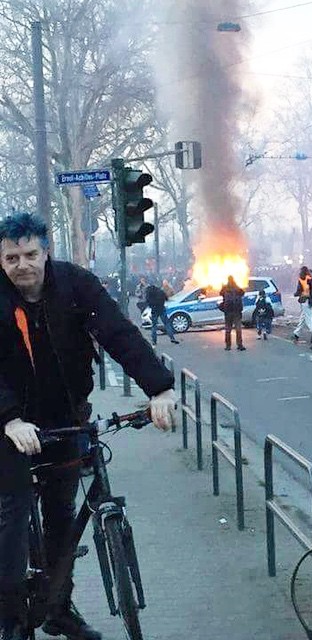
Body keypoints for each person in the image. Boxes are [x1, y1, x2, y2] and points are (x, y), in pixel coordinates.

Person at [0, 213, 177, 640]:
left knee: (62, 515)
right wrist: (9, 418)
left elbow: (118, 333)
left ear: (46, 252)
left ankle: (59, 606)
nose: (21, 265)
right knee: (13, 516)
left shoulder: (76, 285)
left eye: (30, 254)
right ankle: (10, 617)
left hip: (65, 416)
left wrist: (159, 390)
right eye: (10, 258)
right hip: (11, 424)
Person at [219, 276, 246, 351]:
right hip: (237, 312)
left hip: (228, 312)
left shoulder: (225, 288)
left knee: (228, 329)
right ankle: (240, 345)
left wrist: (223, 286)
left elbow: (220, 293)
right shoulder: (237, 288)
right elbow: (243, 293)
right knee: (238, 329)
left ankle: (228, 346)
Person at [291, 266, 312, 343]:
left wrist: (295, 294)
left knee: (308, 319)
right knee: (303, 318)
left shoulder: (301, 279)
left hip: (304, 300)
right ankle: (296, 333)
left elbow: (299, 291)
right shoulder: (310, 278)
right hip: (309, 299)